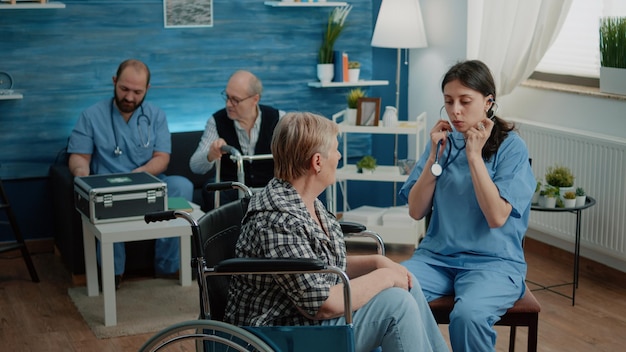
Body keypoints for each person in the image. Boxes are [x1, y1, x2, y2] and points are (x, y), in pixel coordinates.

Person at [224, 112, 449, 352]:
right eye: (336, 149)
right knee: (396, 304)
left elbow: (321, 266)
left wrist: (378, 262)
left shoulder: (304, 199)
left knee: (406, 279)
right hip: (279, 334)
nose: (340, 156)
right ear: (317, 162)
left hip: (306, 323)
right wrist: (384, 278)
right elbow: (321, 304)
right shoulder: (276, 219)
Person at [398, 60, 535, 351]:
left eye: (465, 101)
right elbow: (415, 210)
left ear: (488, 102)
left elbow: (497, 216)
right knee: (392, 292)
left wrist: (474, 156)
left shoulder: (512, 148)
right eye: (448, 101)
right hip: (436, 259)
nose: (455, 110)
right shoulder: (442, 142)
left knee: (468, 316)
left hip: (494, 264)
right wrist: (435, 154)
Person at [68, 59, 193, 288]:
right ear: (114, 82)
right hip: (108, 188)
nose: (129, 97)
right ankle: (112, 274)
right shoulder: (91, 116)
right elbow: (79, 156)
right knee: (103, 204)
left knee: (182, 186)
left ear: (147, 90)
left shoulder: (156, 116)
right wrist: (82, 175)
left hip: (149, 184)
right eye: (124, 89)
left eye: (137, 92)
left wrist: (139, 176)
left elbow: (162, 158)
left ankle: (167, 267)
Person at [189, 70, 284, 210]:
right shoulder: (216, 121)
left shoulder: (279, 119)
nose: (228, 104)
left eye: (235, 100)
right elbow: (195, 166)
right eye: (227, 97)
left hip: (270, 191)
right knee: (211, 188)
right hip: (231, 192)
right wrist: (210, 155)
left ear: (255, 99)